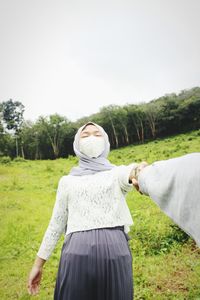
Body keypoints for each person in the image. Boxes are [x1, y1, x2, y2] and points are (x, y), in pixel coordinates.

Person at [27, 121, 148, 299]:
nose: (91, 138)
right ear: (77, 144)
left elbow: (132, 171)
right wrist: (38, 264)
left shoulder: (115, 174)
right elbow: (56, 224)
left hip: (113, 251)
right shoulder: (67, 181)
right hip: (78, 254)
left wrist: (141, 171)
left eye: (97, 134)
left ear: (106, 141)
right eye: (85, 135)